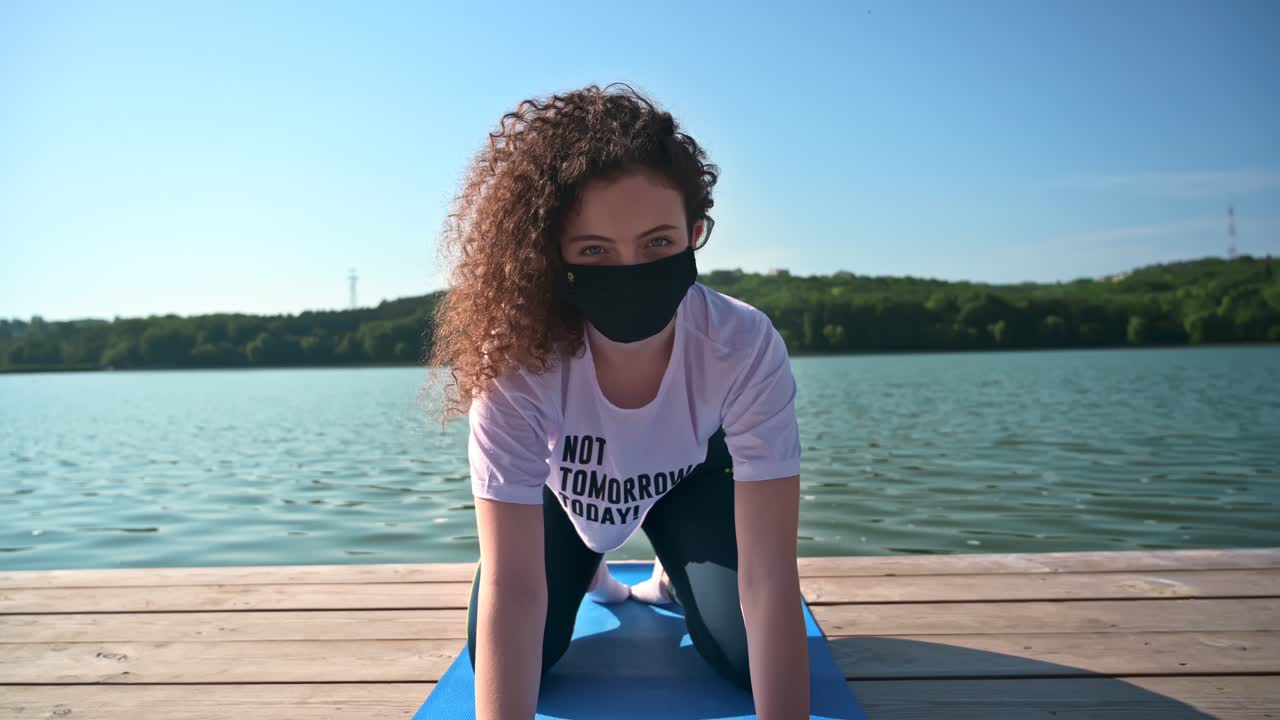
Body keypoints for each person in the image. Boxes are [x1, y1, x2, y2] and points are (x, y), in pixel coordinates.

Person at [429, 83, 809, 720]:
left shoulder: (742, 345)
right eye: (595, 252)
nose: (630, 269)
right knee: (516, 652)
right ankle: (595, 575)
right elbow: (515, 590)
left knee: (744, 655)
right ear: (553, 258)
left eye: (658, 243)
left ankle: (666, 576)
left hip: (688, 481)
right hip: (564, 494)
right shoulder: (517, 361)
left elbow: (771, 578)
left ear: (695, 235)